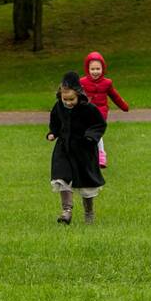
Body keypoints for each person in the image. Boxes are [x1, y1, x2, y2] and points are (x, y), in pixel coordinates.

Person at [47, 71, 107, 224]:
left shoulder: (88, 108)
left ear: (79, 95)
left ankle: (89, 213)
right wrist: (52, 133)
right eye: (64, 99)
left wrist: (90, 137)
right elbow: (55, 121)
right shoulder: (59, 106)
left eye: (71, 99)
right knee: (61, 177)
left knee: (86, 183)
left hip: (84, 150)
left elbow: (99, 124)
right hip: (64, 149)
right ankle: (66, 211)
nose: (67, 102)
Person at [80, 51, 129, 168]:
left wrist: (124, 106)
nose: (95, 72)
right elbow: (75, 96)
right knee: (85, 133)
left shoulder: (107, 83)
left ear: (103, 69)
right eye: (92, 69)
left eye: (98, 69)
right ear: (87, 69)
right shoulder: (82, 82)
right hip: (86, 112)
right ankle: (88, 155)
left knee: (97, 132)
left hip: (100, 112)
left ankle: (101, 154)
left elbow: (115, 96)